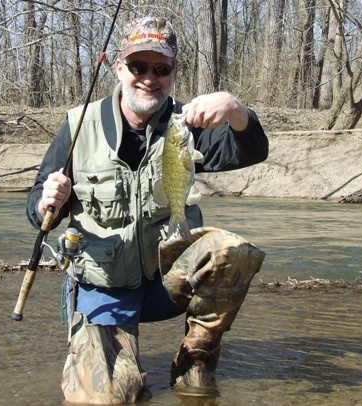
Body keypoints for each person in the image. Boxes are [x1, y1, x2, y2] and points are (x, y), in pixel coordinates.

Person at [26, 16, 269, 404]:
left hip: (165, 280)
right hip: (104, 285)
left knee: (232, 253)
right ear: (119, 67)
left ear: (174, 73)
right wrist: (45, 202)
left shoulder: (186, 124)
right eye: (138, 66)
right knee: (104, 399)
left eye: (161, 68)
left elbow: (251, 150)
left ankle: (195, 363)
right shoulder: (78, 125)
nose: (148, 78)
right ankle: (119, 362)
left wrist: (237, 111)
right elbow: (38, 204)